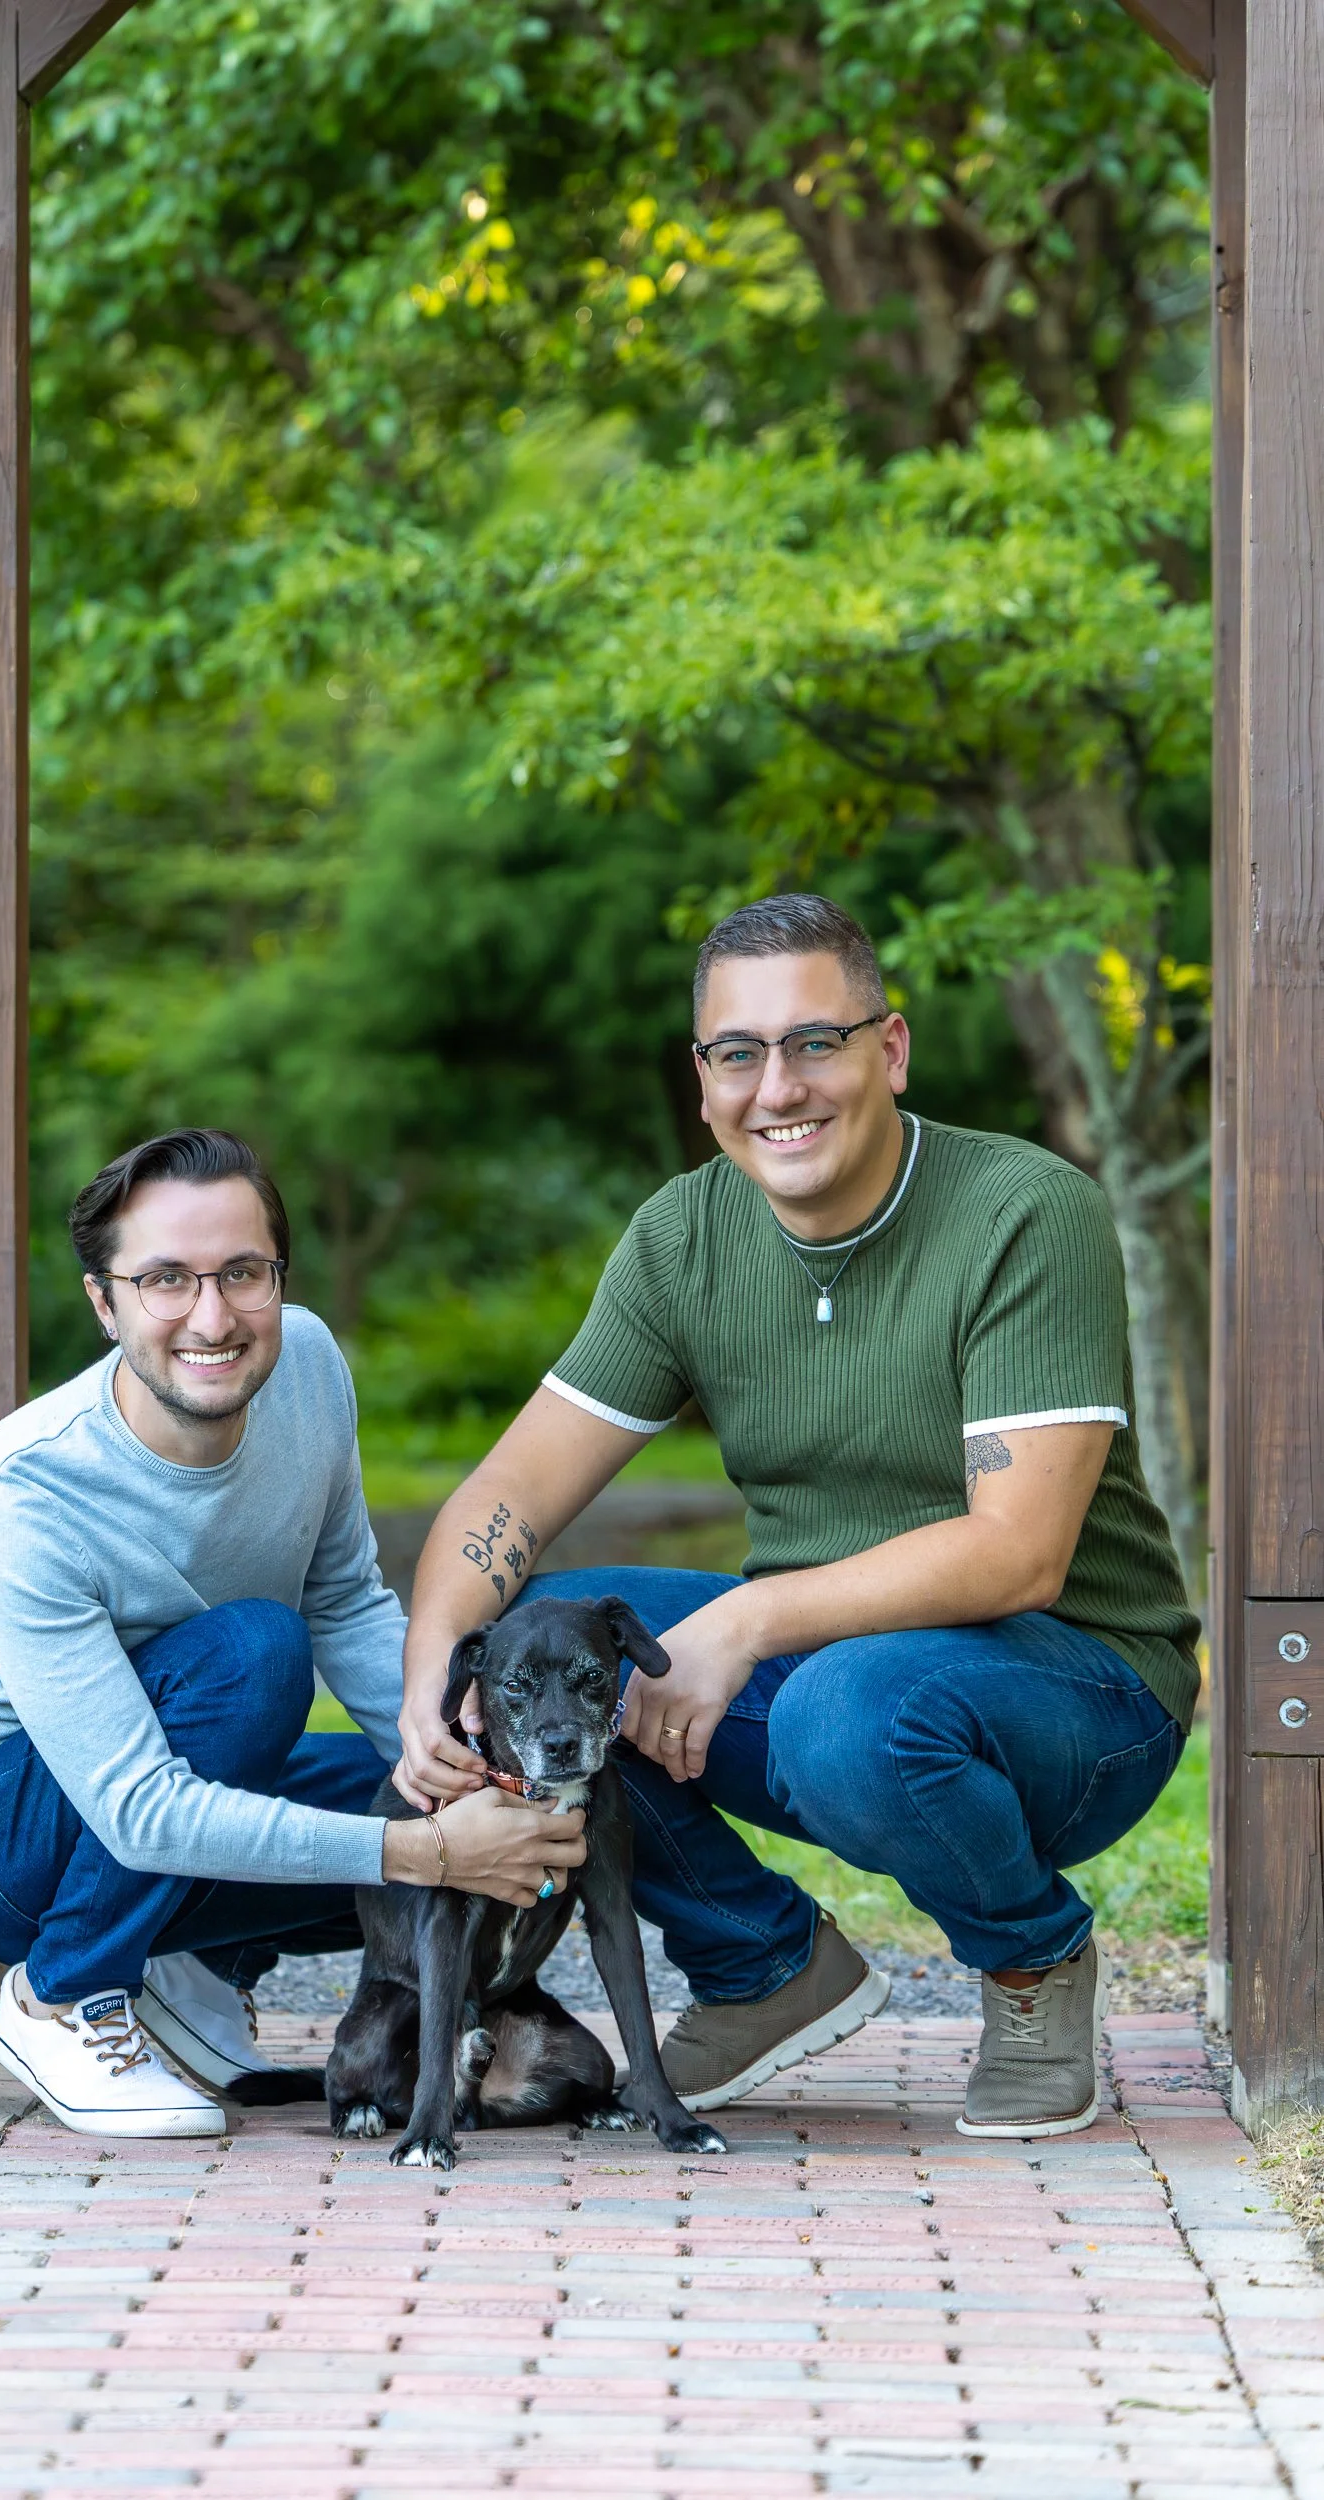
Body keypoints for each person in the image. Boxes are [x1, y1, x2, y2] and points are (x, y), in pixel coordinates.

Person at [397, 894, 1199, 2139]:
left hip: (1079, 1690)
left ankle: (1032, 1961)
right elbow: (504, 1497)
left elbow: (1018, 1551)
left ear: (888, 1049)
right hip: (839, 1656)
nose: (778, 1086)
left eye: (814, 1042)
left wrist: (751, 1619)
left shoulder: (1023, 1212)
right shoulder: (683, 1237)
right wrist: (432, 1685)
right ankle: (762, 1962)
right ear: (705, 1076)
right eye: (740, 1052)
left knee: (840, 1707)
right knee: (562, 1647)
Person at [0, 1127, 586, 2137]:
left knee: (404, 1791)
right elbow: (137, 1807)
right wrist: (427, 1850)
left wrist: (451, 1760)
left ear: (279, 1276)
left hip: (160, 1798)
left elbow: (348, 1597)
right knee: (257, 1658)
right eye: (166, 1279)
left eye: (241, 1272)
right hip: (2, 1848)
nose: (212, 1315)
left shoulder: (306, 1363)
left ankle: (187, 1966)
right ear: (105, 1302)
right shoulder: (26, 1494)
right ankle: (64, 1991)